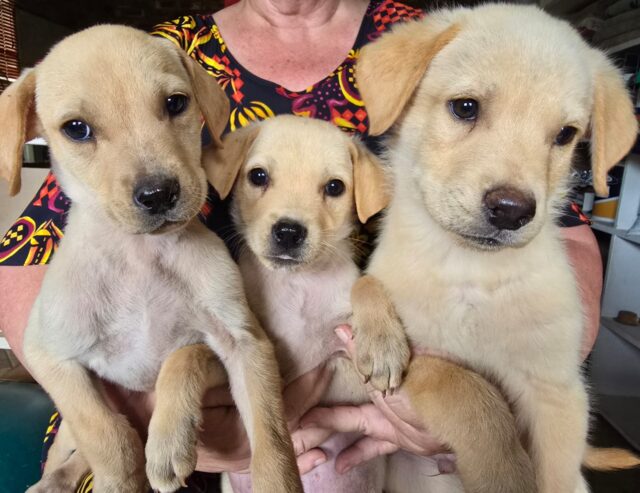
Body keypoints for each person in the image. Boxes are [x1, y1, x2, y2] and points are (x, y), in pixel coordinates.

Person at [0, 0, 602, 491]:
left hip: (390, 407)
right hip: (147, 413)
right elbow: (30, 255)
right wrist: (130, 413)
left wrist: (462, 403)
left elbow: (558, 236)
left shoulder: (438, 38)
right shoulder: (158, 53)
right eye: (258, 177)